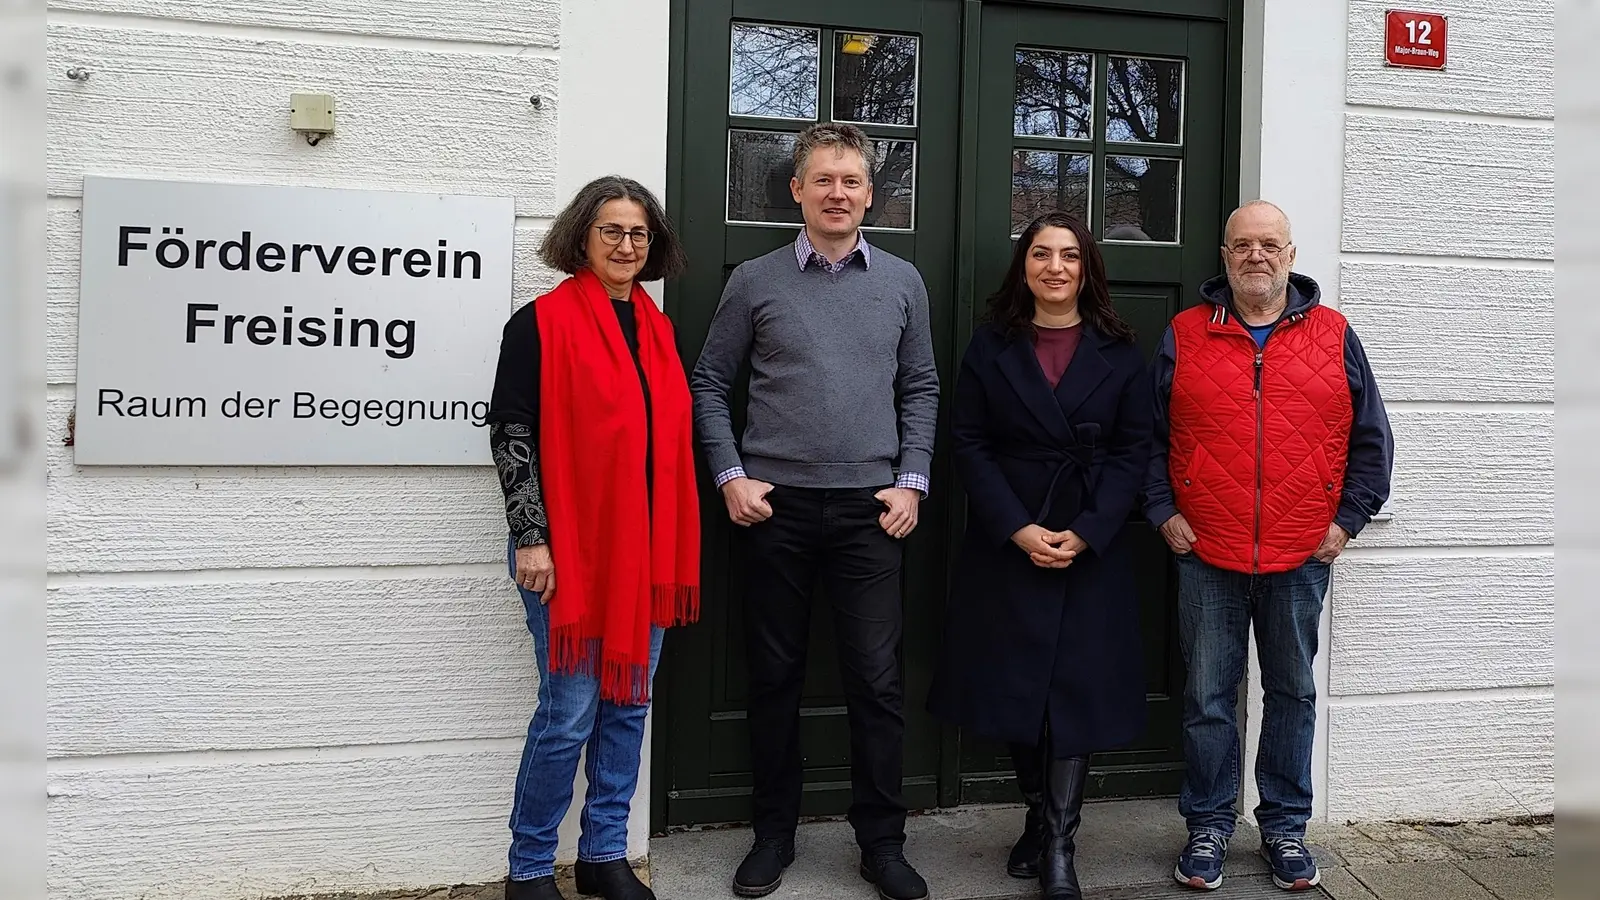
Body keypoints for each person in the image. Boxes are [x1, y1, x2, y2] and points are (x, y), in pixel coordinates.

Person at [689, 121, 940, 900]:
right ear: (797, 189)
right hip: (775, 512)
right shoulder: (756, 280)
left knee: (876, 682)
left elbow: (922, 388)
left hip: (873, 512)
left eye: (852, 181)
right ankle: (773, 836)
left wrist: (912, 480)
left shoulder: (902, 281)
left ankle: (882, 842)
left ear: (872, 193)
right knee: (775, 679)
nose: (838, 193)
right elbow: (708, 383)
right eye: (823, 180)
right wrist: (731, 475)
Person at [1145, 201, 1393, 893]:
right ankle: (1209, 827)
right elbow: (1148, 439)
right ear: (1224, 256)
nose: (1257, 256)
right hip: (1208, 553)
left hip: (1299, 554)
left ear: (1290, 253)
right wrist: (1162, 510)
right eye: (1242, 245)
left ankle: (1284, 827)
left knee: (1292, 693)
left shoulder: (1335, 334)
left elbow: (1372, 441)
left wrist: (1347, 520)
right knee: (1207, 697)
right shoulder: (1185, 333)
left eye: (1269, 245)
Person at [928, 212, 1153, 900]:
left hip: (1091, 542)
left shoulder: (1120, 350)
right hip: (1009, 539)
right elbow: (968, 442)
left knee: (1074, 692)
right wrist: (1017, 528)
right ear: (1024, 266)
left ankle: (1059, 842)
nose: (1055, 267)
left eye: (1070, 256)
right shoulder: (990, 346)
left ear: (1088, 269)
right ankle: (1035, 812)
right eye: (1041, 255)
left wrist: (1087, 531)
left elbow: (1132, 449)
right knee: (1015, 685)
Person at [487, 176, 700, 900]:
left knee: (630, 703)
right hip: (569, 553)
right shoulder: (540, 323)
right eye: (611, 230)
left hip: (646, 553)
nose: (626, 244)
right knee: (569, 712)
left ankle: (606, 854)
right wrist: (531, 536)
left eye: (639, 233)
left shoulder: (659, 329)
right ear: (582, 236)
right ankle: (527, 868)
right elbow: (512, 432)